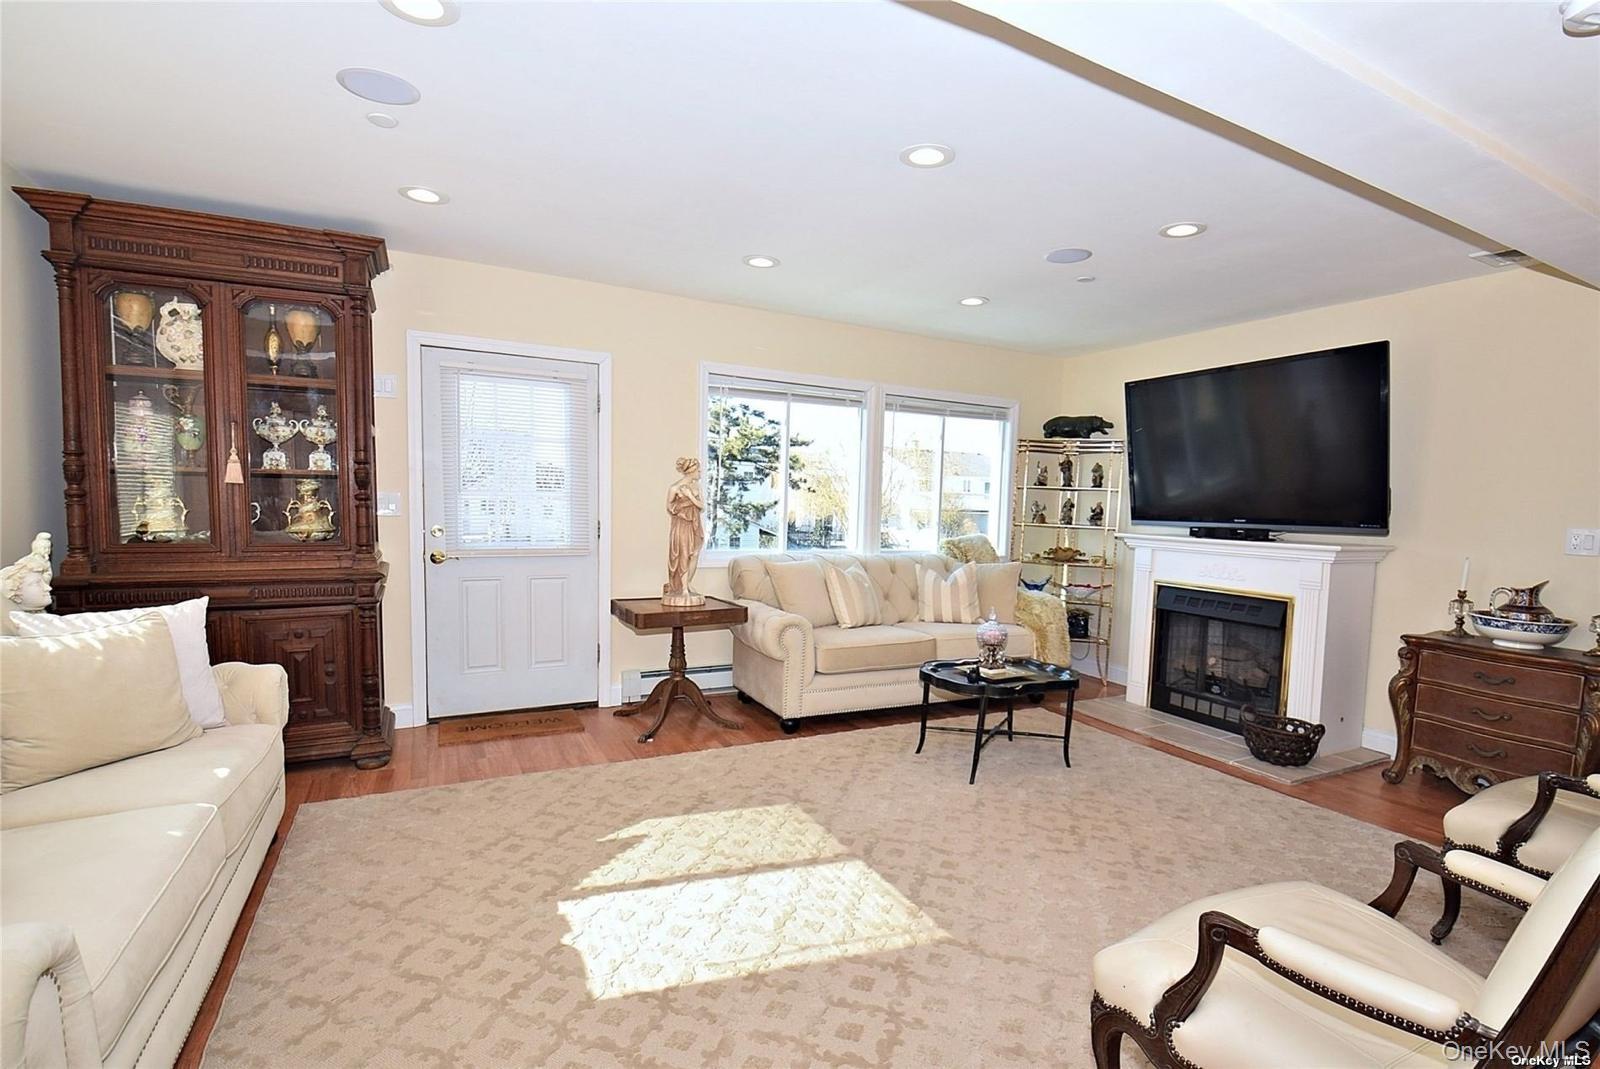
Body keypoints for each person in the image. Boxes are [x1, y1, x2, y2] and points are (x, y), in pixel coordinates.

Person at [663, 458, 705, 605]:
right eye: (698, 470)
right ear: (691, 471)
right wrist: (681, 505)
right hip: (681, 525)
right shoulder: (674, 488)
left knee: (695, 553)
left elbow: (701, 506)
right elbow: (670, 507)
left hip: (694, 523)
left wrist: (690, 496)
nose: (700, 473)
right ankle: (683, 588)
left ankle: (688, 582)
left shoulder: (695, 487)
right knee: (683, 553)